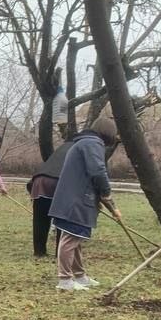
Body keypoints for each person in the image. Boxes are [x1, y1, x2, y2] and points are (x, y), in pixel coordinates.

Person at [48, 118, 120, 291]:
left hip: (78, 199)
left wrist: (101, 201)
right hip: (76, 201)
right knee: (70, 239)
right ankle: (65, 280)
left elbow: (88, 175)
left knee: (75, 239)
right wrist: (107, 194)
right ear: (108, 133)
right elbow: (97, 171)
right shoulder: (92, 144)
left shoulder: (86, 143)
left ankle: (80, 277)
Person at [26, 139, 74, 258]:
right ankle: (60, 252)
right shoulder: (80, 149)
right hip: (59, 182)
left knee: (40, 219)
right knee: (62, 219)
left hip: (38, 181)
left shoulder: (62, 148)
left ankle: (39, 251)